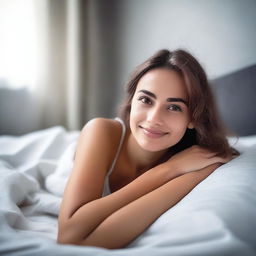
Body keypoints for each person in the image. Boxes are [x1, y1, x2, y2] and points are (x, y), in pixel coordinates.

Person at [57, 49, 238, 249]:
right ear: (131, 101)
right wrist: (168, 170)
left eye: (174, 107)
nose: (153, 119)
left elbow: (82, 241)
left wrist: (191, 171)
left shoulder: (196, 160)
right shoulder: (101, 130)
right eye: (146, 100)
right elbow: (68, 235)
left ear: (193, 119)